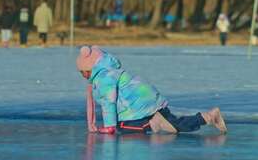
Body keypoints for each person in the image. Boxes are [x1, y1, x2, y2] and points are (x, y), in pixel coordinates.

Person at [76, 45, 227, 135]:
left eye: (82, 71)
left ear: (89, 69)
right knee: (176, 125)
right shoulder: (109, 71)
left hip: (140, 108)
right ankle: (208, 117)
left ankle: (153, 123)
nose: (82, 75)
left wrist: (109, 126)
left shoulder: (104, 77)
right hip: (149, 102)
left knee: (122, 127)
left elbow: (108, 102)